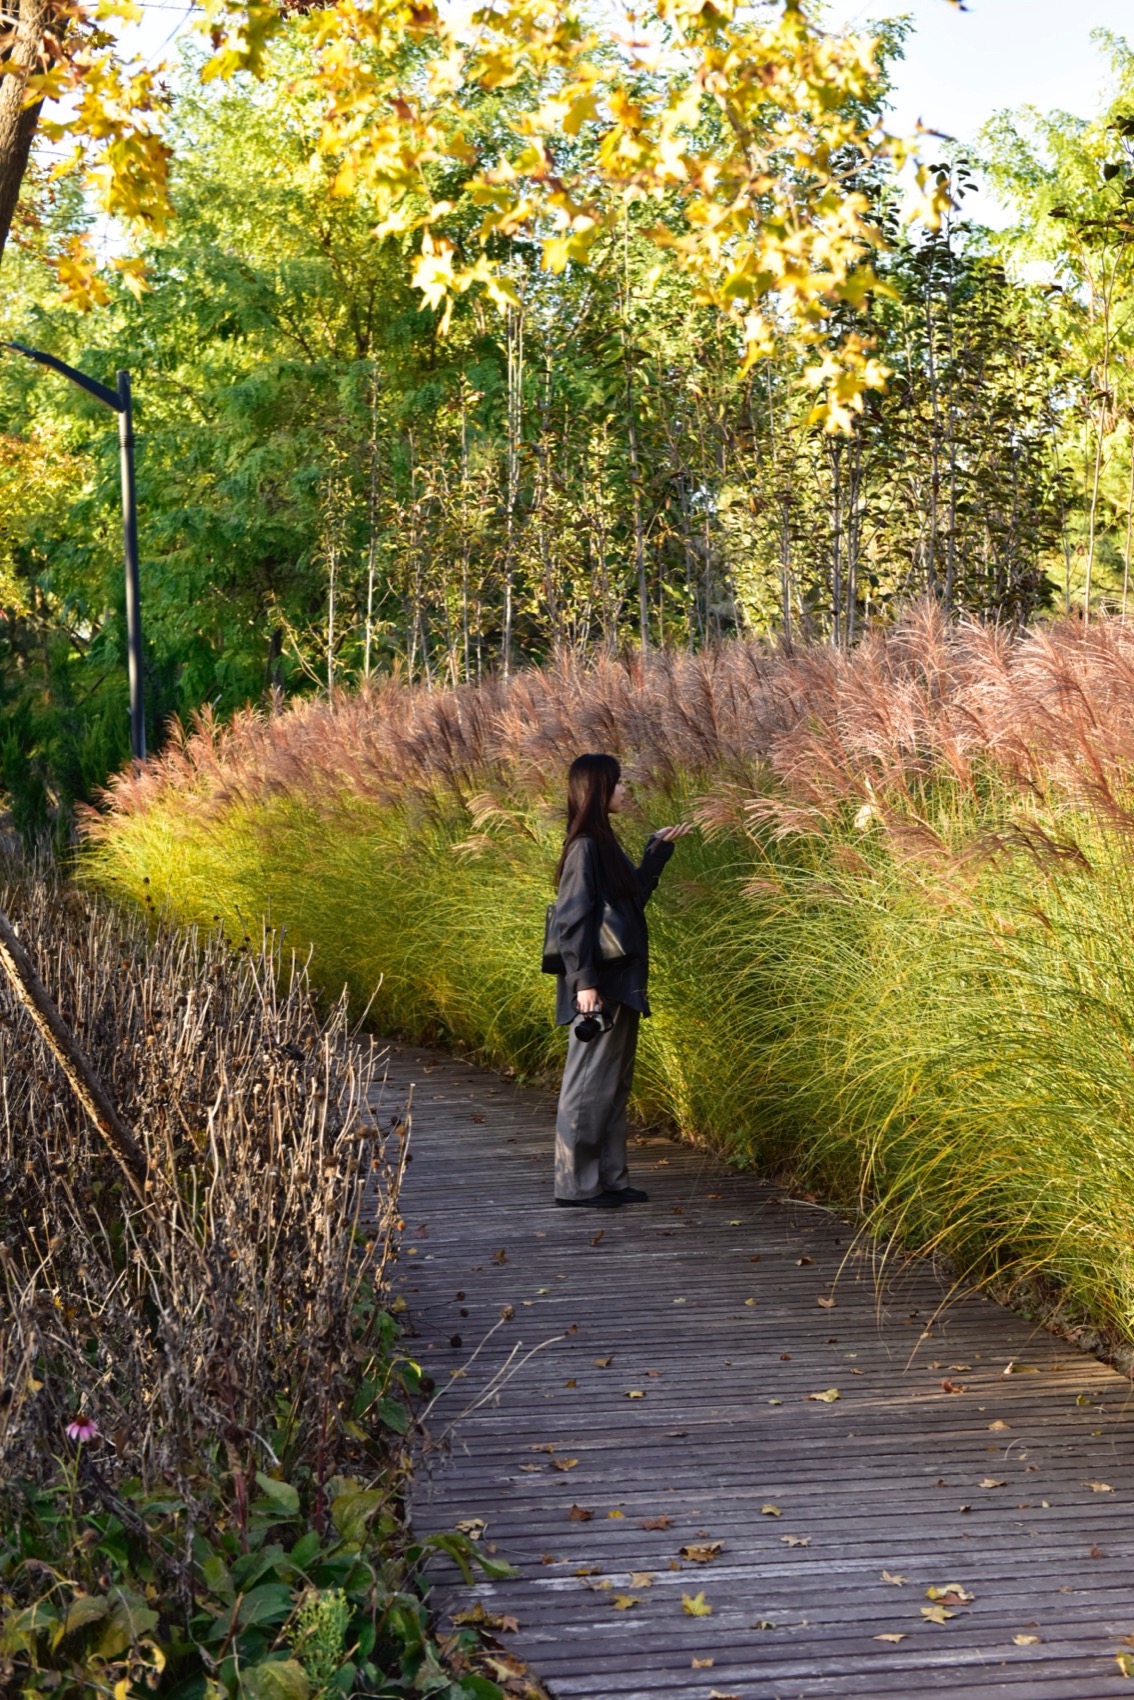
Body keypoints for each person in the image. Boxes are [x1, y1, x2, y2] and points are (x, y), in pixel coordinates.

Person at [552, 752, 692, 1208]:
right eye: (617, 784)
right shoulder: (585, 847)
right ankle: (576, 1186)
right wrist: (584, 982)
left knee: (612, 1084)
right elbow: (572, 920)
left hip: (620, 981)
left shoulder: (603, 841)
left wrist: (655, 853)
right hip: (600, 985)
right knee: (588, 1083)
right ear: (597, 791)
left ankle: (610, 1178)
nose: (625, 790)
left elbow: (625, 908)